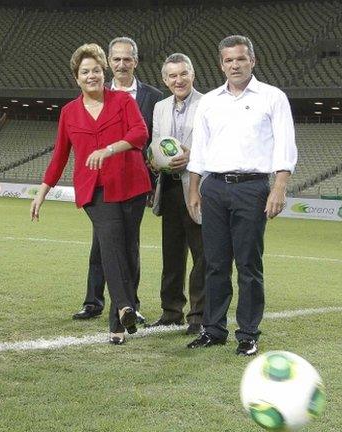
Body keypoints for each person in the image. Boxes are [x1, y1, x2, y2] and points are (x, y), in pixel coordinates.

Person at [31, 43, 151, 345]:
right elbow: (59, 156)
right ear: (77, 78)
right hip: (95, 191)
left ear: (104, 72)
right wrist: (42, 192)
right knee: (110, 242)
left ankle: (120, 322)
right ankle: (125, 306)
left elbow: (139, 134)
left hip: (132, 186)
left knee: (128, 249)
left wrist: (109, 149)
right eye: (85, 72)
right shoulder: (69, 113)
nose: (91, 75)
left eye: (96, 70)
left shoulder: (123, 102)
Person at [185, 35, 297, 356]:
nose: (235, 65)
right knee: (215, 264)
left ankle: (247, 333)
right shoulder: (209, 101)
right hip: (214, 187)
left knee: (248, 264)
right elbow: (200, 150)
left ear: (253, 61)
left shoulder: (272, 98)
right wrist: (194, 189)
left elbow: (285, 146)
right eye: (229, 60)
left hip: (253, 187)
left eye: (241, 59)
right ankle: (213, 329)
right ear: (221, 64)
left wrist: (279, 186)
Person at [73, 36, 163, 323]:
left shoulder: (153, 97)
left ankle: (129, 305)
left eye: (127, 59)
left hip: (134, 183)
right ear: (108, 63)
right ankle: (93, 301)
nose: (121, 64)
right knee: (101, 243)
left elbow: (153, 138)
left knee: (128, 245)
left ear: (135, 62)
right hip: (102, 185)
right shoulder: (97, 91)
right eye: (116, 59)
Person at [146, 53, 205, 336]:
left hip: (198, 188)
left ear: (193, 75)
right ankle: (171, 312)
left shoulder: (209, 104)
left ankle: (198, 315)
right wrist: (155, 160)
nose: (178, 80)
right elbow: (157, 143)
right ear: (165, 80)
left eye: (183, 74)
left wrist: (192, 157)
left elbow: (216, 144)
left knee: (202, 255)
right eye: (172, 76)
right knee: (172, 255)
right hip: (168, 187)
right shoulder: (159, 107)